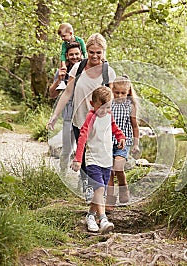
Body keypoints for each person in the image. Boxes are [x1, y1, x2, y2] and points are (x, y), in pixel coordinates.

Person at [47, 33, 117, 202]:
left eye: (98, 52)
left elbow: (110, 100)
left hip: (99, 122)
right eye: (92, 52)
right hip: (79, 120)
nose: (94, 56)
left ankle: (99, 187)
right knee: (83, 153)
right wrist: (55, 115)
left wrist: (114, 126)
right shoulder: (77, 68)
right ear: (88, 51)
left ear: (103, 52)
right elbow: (67, 94)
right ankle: (87, 186)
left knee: (98, 153)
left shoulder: (109, 73)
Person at [71, 86, 126, 233]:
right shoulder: (91, 117)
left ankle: (90, 216)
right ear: (92, 104)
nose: (104, 110)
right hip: (93, 159)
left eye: (107, 107)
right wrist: (78, 159)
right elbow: (82, 137)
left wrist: (121, 137)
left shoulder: (109, 114)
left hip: (106, 159)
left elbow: (114, 128)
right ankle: (103, 220)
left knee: (100, 192)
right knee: (100, 188)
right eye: (100, 107)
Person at [106, 75, 140, 211]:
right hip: (107, 142)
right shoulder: (108, 104)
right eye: (117, 92)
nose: (119, 95)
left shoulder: (130, 106)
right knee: (109, 171)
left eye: (123, 93)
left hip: (122, 142)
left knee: (118, 167)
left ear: (128, 93)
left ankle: (123, 187)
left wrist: (136, 144)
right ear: (112, 90)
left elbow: (135, 126)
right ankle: (109, 199)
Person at [48, 42, 83, 173]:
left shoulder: (86, 69)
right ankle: (63, 171)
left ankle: (83, 178)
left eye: (76, 54)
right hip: (69, 115)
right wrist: (59, 79)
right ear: (67, 56)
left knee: (84, 147)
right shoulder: (62, 71)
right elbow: (52, 94)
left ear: (81, 54)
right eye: (71, 55)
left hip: (85, 114)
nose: (74, 57)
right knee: (67, 148)